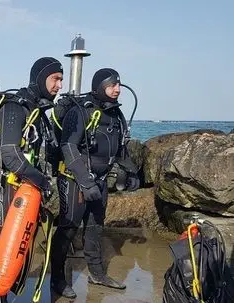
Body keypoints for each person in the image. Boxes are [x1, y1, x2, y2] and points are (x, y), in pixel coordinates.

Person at [49, 68, 140, 299]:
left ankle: (97, 274)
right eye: (112, 85)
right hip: (74, 181)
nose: (117, 90)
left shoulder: (116, 114)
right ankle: (57, 280)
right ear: (100, 86)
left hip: (99, 182)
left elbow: (120, 148)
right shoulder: (81, 111)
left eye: (119, 85)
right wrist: (85, 182)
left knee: (95, 228)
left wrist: (132, 171)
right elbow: (68, 147)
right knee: (67, 230)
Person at [0, 57, 63, 302]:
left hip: (24, 188)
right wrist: (42, 180)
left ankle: (3, 295)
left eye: (61, 79)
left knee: (19, 245)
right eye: (55, 79)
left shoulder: (38, 111)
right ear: (40, 78)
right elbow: (10, 154)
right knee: (2, 246)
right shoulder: (15, 108)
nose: (59, 85)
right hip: (3, 185)